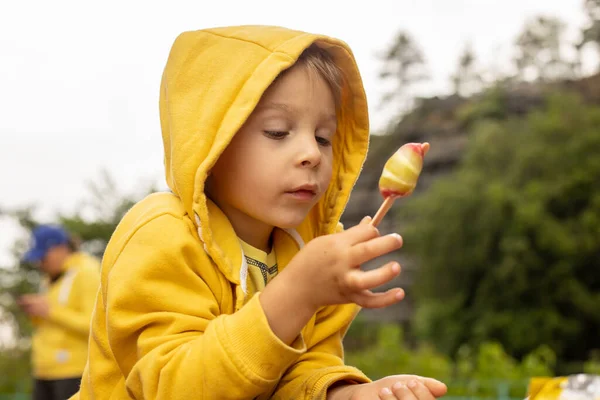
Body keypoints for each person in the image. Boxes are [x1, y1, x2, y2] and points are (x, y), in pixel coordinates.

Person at [72, 25, 448, 400]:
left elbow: (303, 375)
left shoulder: (313, 250)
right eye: (277, 131)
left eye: (323, 136)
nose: (312, 154)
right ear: (211, 143)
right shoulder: (161, 235)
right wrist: (296, 292)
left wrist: (347, 394)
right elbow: (173, 388)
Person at [19, 224, 100, 400]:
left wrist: (50, 312)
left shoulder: (87, 272)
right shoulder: (48, 279)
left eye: (43, 257)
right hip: (44, 371)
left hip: (74, 372)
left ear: (60, 248)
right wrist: (36, 312)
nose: (40, 263)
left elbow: (95, 325)